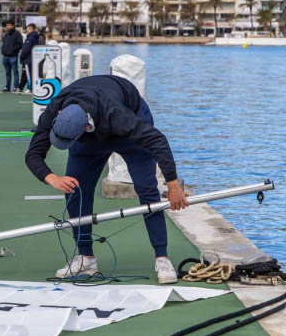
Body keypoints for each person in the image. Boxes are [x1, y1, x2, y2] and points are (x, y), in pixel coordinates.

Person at [24, 74, 189, 284]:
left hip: (127, 121)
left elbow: (158, 141)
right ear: (58, 115)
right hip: (89, 135)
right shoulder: (54, 110)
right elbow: (33, 154)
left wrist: (173, 185)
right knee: (75, 190)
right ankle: (86, 257)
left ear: (85, 128)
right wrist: (52, 178)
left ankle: (162, 257)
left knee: (146, 188)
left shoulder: (118, 116)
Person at [0, 20, 22, 93]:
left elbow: (20, 44)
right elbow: (4, 43)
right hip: (5, 56)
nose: (7, 27)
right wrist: (3, 50)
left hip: (13, 56)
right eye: (6, 25)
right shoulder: (6, 34)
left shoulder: (17, 34)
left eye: (9, 25)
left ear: (12, 26)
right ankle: (7, 87)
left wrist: (13, 50)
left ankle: (15, 87)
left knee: (15, 73)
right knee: (7, 73)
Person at [19, 23, 41, 93]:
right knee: (31, 74)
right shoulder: (36, 37)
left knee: (28, 74)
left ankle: (30, 88)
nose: (27, 30)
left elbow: (26, 49)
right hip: (33, 59)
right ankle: (31, 88)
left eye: (28, 29)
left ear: (30, 29)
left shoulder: (30, 38)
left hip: (28, 59)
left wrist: (21, 56)